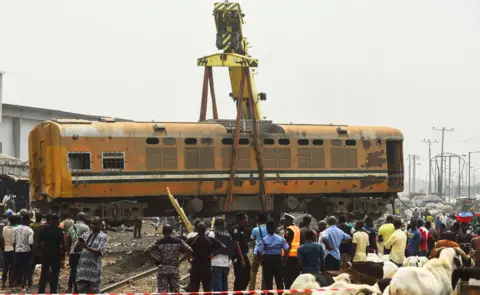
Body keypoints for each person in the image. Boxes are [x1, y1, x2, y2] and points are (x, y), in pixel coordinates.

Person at [145, 224, 192, 292]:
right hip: (174, 269)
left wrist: (156, 259)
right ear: (171, 231)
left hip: (162, 269)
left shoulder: (159, 242)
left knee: (162, 291)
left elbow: (147, 251)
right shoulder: (179, 241)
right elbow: (190, 251)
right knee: (175, 291)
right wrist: (181, 260)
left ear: (163, 232)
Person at [185, 222, 223, 292]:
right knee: (207, 288)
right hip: (207, 266)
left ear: (196, 229)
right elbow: (222, 247)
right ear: (206, 229)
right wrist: (213, 255)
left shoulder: (192, 239)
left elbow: (183, 248)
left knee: (194, 288)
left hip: (195, 266)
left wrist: (189, 257)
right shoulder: (210, 239)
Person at [75, 216, 109, 293]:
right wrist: (78, 245)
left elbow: (100, 252)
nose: (92, 225)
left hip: (94, 271)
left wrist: (86, 246)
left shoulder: (103, 237)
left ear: (100, 225)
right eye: (91, 223)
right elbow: (77, 250)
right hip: (82, 271)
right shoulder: (85, 234)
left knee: (94, 292)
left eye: (95, 224)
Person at [257, 220, 288, 294]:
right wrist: (284, 260)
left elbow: (259, 252)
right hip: (278, 260)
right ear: (275, 228)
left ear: (267, 229)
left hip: (267, 260)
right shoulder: (281, 238)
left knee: (268, 281)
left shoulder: (264, 240)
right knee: (279, 280)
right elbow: (286, 250)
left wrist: (261, 261)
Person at [38, 214, 64, 293]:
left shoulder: (44, 229)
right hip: (55, 255)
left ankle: (41, 291)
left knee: (44, 273)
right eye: (59, 220)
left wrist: (42, 249)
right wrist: (62, 255)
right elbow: (62, 245)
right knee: (55, 274)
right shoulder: (60, 231)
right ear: (56, 221)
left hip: (45, 254)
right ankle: (53, 291)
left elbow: (38, 240)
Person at [208, 218, 233, 292]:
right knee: (224, 285)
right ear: (223, 224)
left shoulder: (213, 233)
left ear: (215, 224)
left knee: (217, 285)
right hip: (226, 263)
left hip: (215, 262)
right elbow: (231, 248)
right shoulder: (228, 234)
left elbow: (209, 246)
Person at [67, 212, 90, 293]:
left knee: (73, 270)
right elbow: (88, 240)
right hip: (82, 252)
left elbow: (68, 241)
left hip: (73, 252)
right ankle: (79, 287)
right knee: (82, 270)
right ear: (84, 218)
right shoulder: (86, 227)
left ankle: (72, 286)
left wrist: (68, 252)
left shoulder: (71, 227)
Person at [13, 212, 34, 289]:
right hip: (26, 251)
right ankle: (24, 284)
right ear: (28, 220)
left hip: (17, 251)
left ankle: (17, 282)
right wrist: (31, 251)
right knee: (26, 268)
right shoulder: (30, 230)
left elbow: (13, 241)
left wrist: (16, 249)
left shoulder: (15, 229)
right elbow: (30, 242)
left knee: (17, 267)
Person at [232, 213, 250, 291]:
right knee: (239, 276)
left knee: (247, 276)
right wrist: (242, 259)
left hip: (244, 255)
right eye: (245, 219)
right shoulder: (236, 229)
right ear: (241, 220)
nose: (247, 220)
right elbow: (236, 244)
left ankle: (241, 291)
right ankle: (237, 291)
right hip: (239, 256)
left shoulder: (242, 229)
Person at [282, 213, 301, 289]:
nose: (284, 222)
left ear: (288, 220)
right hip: (296, 256)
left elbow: (288, 245)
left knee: (288, 278)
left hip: (289, 257)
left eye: (285, 220)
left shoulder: (289, 230)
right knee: (294, 277)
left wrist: (284, 259)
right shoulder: (296, 228)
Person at [249, 213, 267, 290]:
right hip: (266, 253)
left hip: (257, 252)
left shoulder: (255, 229)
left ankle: (252, 288)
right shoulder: (269, 228)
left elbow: (252, 237)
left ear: (258, 221)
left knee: (253, 271)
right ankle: (263, 288)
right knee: (265, 272)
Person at [28, 212, 43, 288]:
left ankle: (30, 283)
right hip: (40, 249)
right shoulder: (42, 226)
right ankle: (43, 282)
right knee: (44, 266)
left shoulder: (31, 225)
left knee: (31, 266)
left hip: (32, 248)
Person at [2, 214, 16, 288]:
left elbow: (3, 238)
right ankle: (11, 283)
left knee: (5, 266)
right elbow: (15, 241)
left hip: (6, 249)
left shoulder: (4, 228)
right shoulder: (15, 229)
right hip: (13, 250)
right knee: (12, 267)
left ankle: (3, 282)